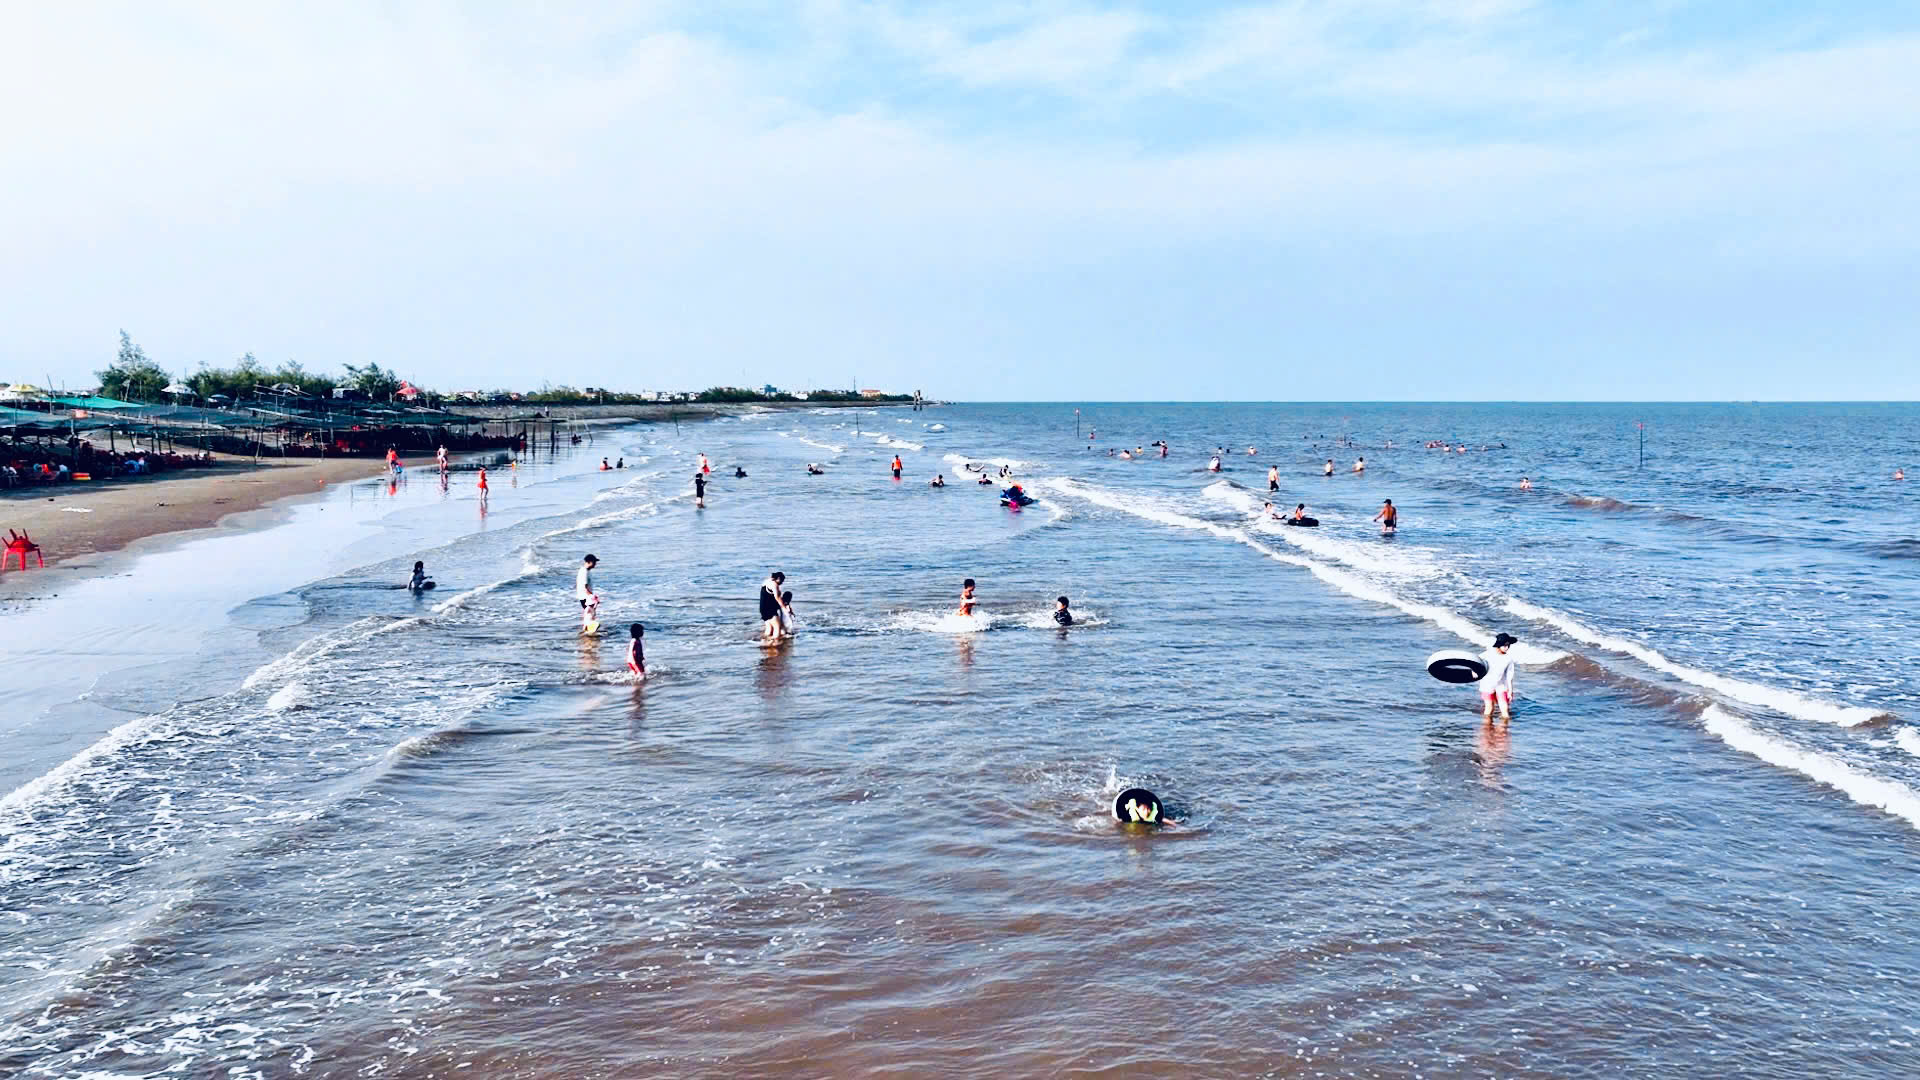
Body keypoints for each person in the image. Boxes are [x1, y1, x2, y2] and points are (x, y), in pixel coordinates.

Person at [1480, 632, 1519, 724]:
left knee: (1504, 709)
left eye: (1508, 645)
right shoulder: (1487, 654)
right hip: (1487, 683)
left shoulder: (1508, 659)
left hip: (1501, 684)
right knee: (1489, 708)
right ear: (1499, 645)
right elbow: (1476, 662)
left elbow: (1509, 676)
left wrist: (1510, 691)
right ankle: (1487, 729)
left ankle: (1504, 732)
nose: (1507, 647)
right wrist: (1474, 673)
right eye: (1505, 645)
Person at [759, 571, 786, 641]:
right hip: (769, 609)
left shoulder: (766, 582)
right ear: (779, 578)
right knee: (777, 627)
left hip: (762, 608)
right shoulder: (774, 585)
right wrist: (783, 607)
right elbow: (777, 597)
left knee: (769, 628)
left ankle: (764, 642)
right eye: (782, 581)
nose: (782, 583)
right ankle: (775, 643)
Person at [576, 554, 601, 630]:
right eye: (594, 562)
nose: (595, 564)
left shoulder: (586, 571)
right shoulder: (584, 572)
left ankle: (587, 626)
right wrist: (592, 597)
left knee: (589, 613)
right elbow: (585, 587)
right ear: (589, 562)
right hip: (585, 596)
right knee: (589, 613)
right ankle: (588, 626)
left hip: (585, 595)